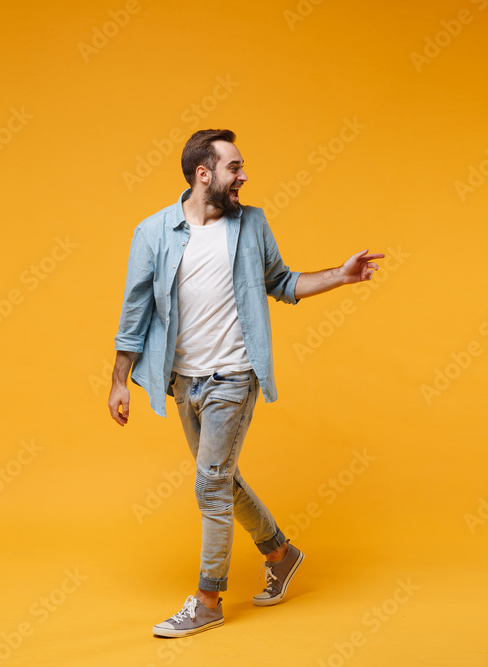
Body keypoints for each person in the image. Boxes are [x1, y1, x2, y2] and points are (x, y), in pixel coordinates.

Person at [108, 128, 384, 637]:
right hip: (182, 382)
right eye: (235, 167)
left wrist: (339, 276)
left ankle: (208, 598)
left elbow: (282, 282)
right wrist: (119, 380)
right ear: (204, 174)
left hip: (234, 377)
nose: (244, 176)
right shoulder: (152, 233)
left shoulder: (251, 224)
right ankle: (281, 553)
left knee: (208, 486)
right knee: (223, 479)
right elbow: (136, 309)